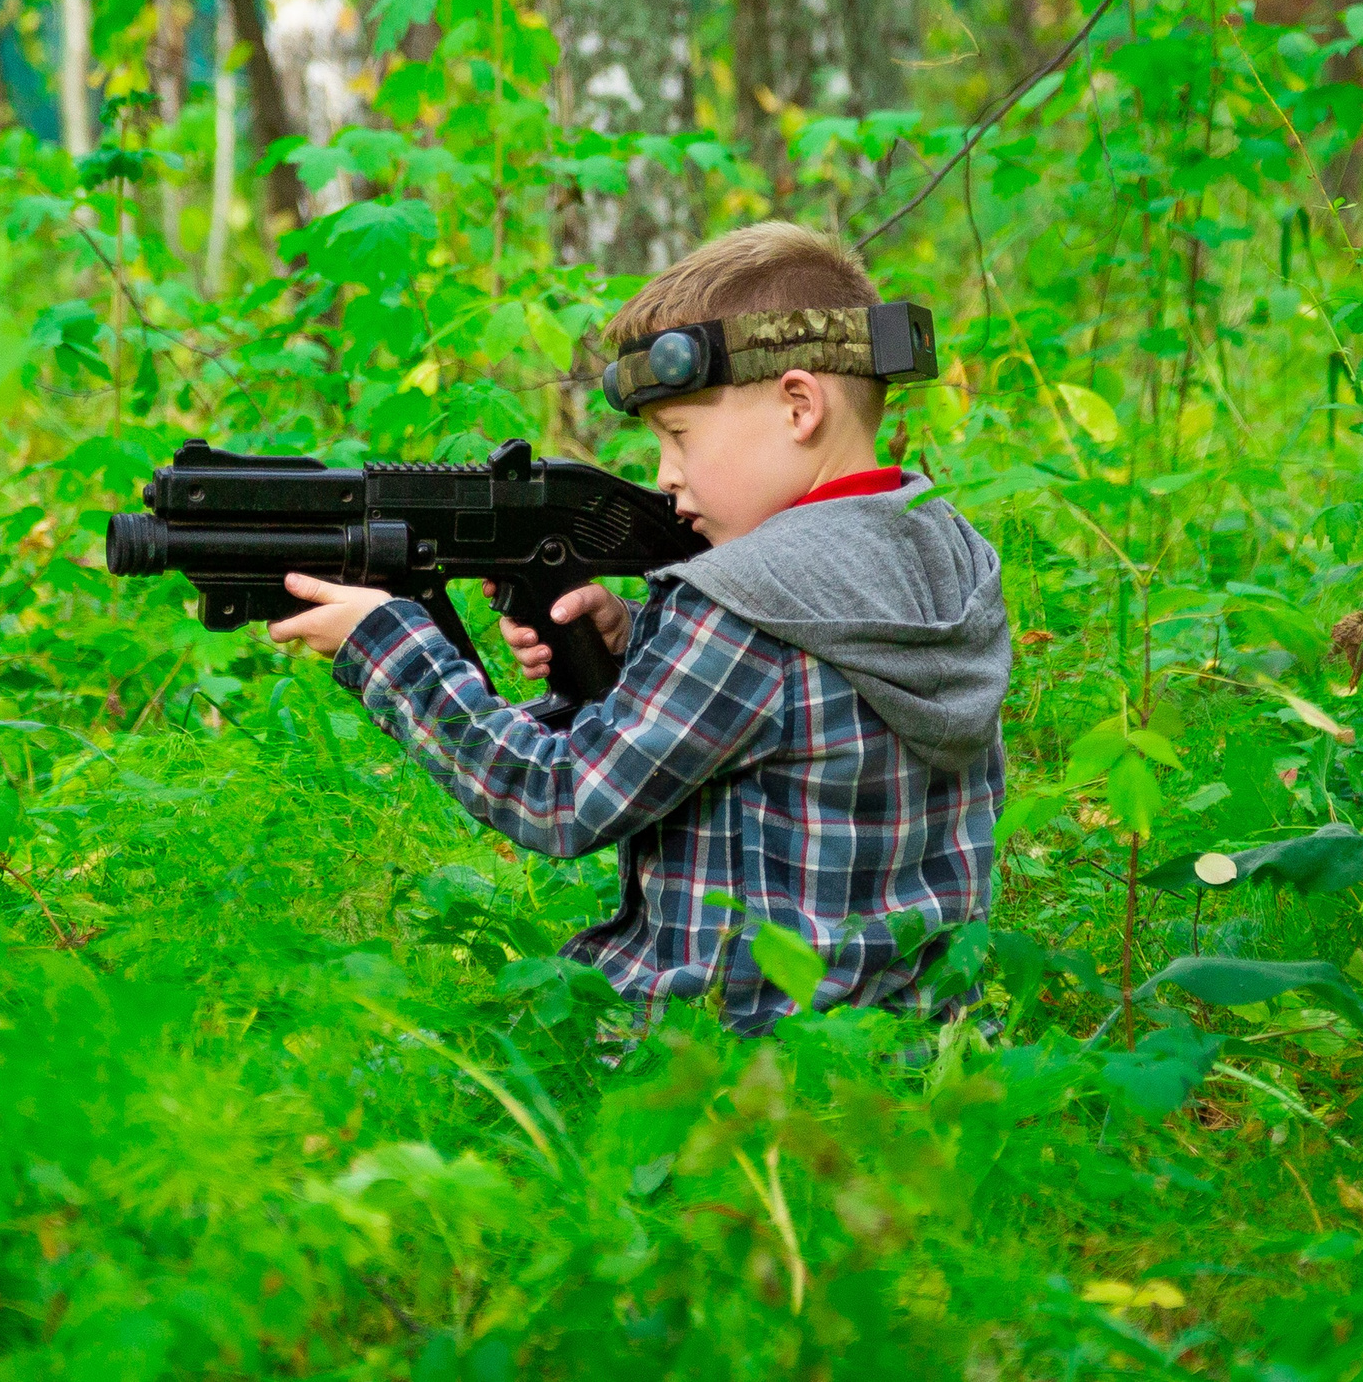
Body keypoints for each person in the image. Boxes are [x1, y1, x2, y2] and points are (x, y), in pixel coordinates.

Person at [267, 222, 1011, 1031]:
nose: (664, 473)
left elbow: (558, 797)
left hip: (727, 1063)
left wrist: (391, 645)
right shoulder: (947, 551)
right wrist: (638, 652)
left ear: (799, 404)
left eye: (679, 434)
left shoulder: (742, 601)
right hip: (910, 1058)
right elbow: (799, 741)